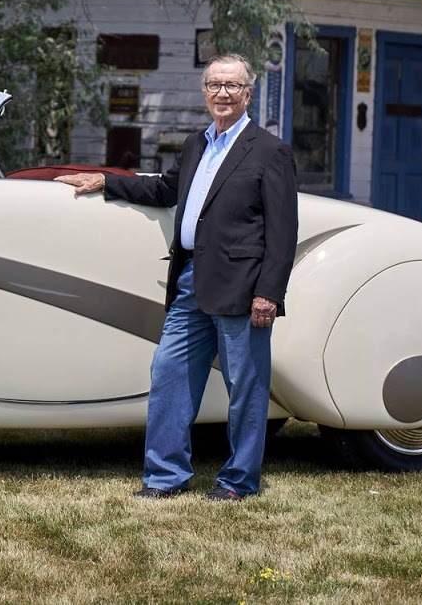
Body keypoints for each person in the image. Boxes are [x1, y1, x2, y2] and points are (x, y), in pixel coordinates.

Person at [56, 54, 298, 501]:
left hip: (243, 290)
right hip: (189, 282)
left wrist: (268, 293)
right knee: (168, 374)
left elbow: (283, 232)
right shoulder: (196, 144)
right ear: (205, 92)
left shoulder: (270, 151)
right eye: (214, 85)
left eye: (232, 85)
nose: (222, 93)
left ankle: (238, 482)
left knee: (245, 389)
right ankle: (165, 477)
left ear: (247, 93)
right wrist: (105, 181)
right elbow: (165, 190)